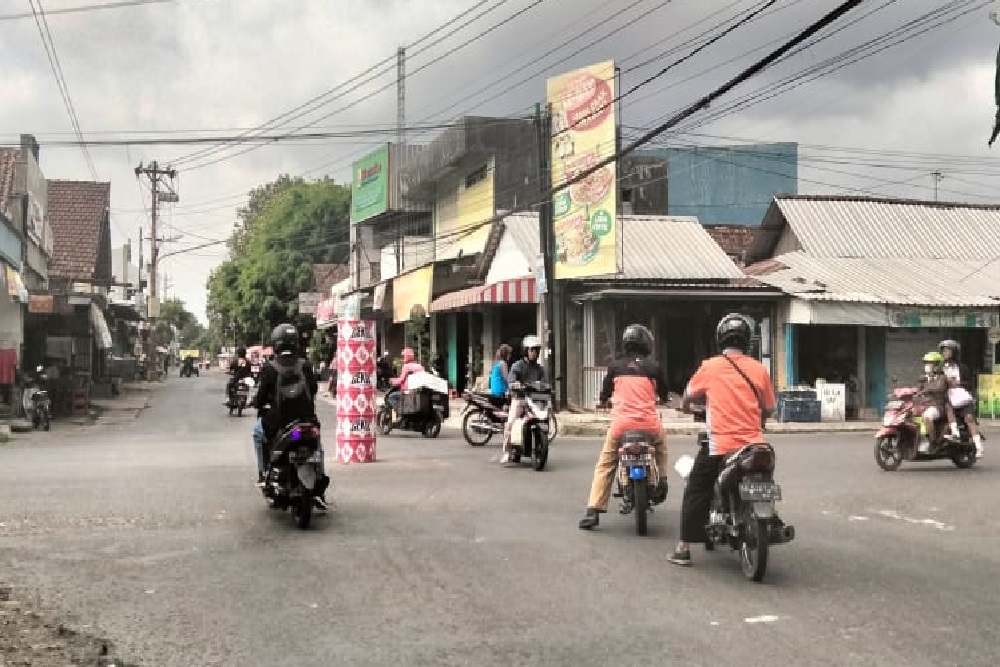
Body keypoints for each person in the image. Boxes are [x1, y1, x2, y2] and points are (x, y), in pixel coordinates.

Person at [668, 313, 776, 567]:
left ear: (720, 339)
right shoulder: (759, 369)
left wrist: (687, 406)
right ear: (747, 341)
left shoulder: (710, 367)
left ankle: (683, 548)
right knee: (766, 474)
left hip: (720, 445)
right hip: (754, 445)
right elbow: (769, 406)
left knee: (696, 486)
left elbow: (688, 396)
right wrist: (760, 420)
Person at [579, 324, 669, 530]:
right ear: (646, 344)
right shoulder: (653, 368)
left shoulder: (615, 366)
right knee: (661, 446)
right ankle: (662, 480)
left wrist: (603, 402)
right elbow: (664, 396)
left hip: (621, 427)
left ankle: (593, 511)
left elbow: (604, 395)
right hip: (649, 425)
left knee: (605, 464)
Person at [252, 323, 329, 510]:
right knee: (316, 444)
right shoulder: (305, 365)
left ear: (276, 343)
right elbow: (313, 389)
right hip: (305, 424)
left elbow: (260, 398)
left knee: (257, 432)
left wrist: (257, 404)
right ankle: (320, 485)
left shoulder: (270, 368)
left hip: (281, 426)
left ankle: (263, 474)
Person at [501, 335, 546, 464]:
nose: (534, 353)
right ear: (525, 351)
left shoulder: (539, 369)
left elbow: (544, 382)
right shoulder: (517, 366)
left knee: (544, 416)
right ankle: (507, 451)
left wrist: (547, 387)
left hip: (535, 400)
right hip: (520, 399)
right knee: (510, 422)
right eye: (531, 350)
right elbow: (511, 379)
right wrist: (515, 384)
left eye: (536, 350)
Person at [939, 339, 983, 457]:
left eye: (948, 350)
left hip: (962, 397)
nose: (945, 352)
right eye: (944, 350)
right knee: (947, 407)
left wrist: (958, 383)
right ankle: (955, 433)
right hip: (948, 397)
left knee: (969, 418)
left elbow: (970, 384)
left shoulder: (962, 367)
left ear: (954, 352)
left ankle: (978, 447)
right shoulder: (940, 367)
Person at [915, 351, 949, 453]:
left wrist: (927, 390)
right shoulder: (923, 378)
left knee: (927, 416)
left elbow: (939, 388)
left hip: (937, 406)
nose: (927, 366)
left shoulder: (942, 378)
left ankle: (933, 442)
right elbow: (916, 390)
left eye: (930, 364)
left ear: (937, 365)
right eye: (926, 363)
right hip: (924, 405)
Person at [386, 347, 424, 416]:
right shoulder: (420, 366)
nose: (403, 358)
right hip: (418, 391)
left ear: (407, 356)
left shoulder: (406, 367)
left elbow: (401, 380)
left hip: (407, 391)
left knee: (391, 397)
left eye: (403, 356)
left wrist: (392, 381)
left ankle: (399, 413)